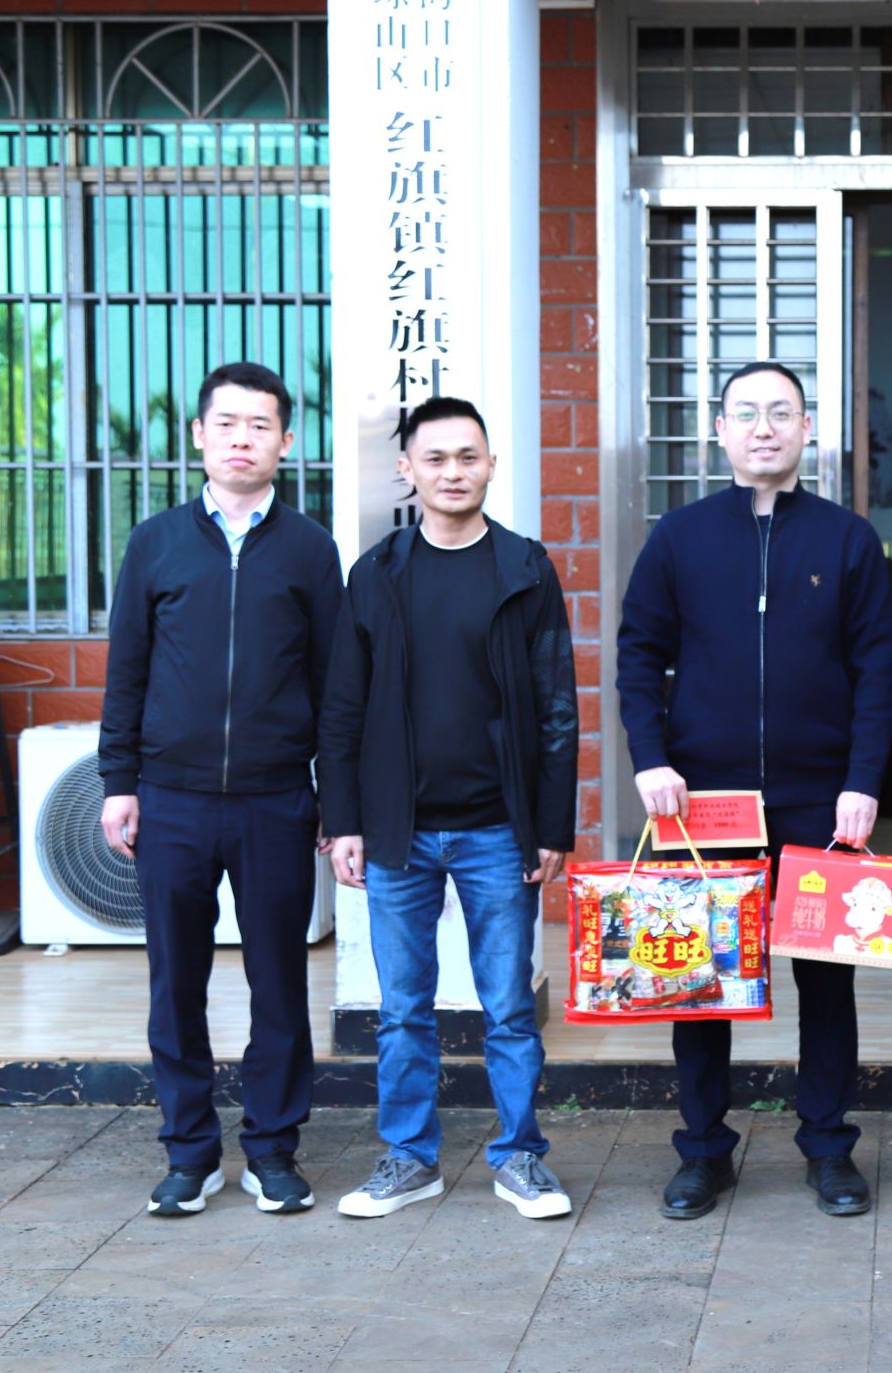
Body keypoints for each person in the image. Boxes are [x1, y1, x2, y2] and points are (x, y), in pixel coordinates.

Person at [616, 360, 892, 1220]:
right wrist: (651, 758)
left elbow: (878, 668)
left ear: (807, 428)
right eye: (747, 413)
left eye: (781, 412)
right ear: (721, 431)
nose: (764, 427)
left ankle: (829, 1147)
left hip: (820, 798)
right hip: (704, 800)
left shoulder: (847, 539)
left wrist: (863, 779)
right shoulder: (680, 535)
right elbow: (638, 653)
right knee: (696, 978)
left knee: (827, 981)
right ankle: (704, 1150)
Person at [320, 396, 579, 1220]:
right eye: (435, 458)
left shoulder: (525, 568)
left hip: (498, 828)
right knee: (402, 1009)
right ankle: (409, 1157)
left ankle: (520, 1156)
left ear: (492, 463)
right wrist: (342, 819)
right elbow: (342, 707)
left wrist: (551, 825)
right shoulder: (378, 572)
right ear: (408, 469)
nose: (453, 472)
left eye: (468, 456)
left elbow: (557, 706)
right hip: (397, 829)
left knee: (508, 1006)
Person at [99, 361, 342, 1218]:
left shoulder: (310, 549)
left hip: (277, 801)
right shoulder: (155, 542)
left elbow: (334, 685)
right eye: (228, 423)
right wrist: (118, 782)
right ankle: (190, 1152)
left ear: (287, 441)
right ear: (200, 435)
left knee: (279, 980)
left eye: (260, 425)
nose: (243, 439)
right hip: (172, 798)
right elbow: (126, 670)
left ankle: (273, 1150)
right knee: (177, 981)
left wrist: (336, 798)